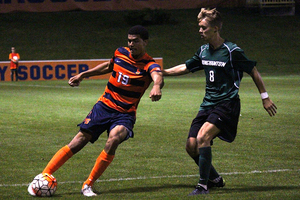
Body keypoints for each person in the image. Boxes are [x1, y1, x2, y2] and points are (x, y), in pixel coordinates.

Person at [27, 25, 164, 197]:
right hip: (104, 106)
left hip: (125, 113)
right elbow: (108, 66)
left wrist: (157, 87)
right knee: (79, 141)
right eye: (129, 40)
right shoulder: (120, 52)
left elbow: (157, 76)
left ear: (145, 42)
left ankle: (88, 184)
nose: (131, 44)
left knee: (113, 140)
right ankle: (43, 176)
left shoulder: (149, 64)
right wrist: (83, 75)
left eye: (135, 41)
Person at [163, 8, 277, 196]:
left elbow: (253, 71)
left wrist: (265, 98)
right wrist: (162, 72)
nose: (200, 31)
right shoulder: (203, 51)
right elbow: (186, 66)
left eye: (203, 28)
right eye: (199, 27)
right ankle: (215, 179)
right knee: (191, 146)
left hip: (227, 104)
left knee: (203, 137)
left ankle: (202, 186)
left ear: (215, 28)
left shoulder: (232, 51)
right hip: (208, 104)